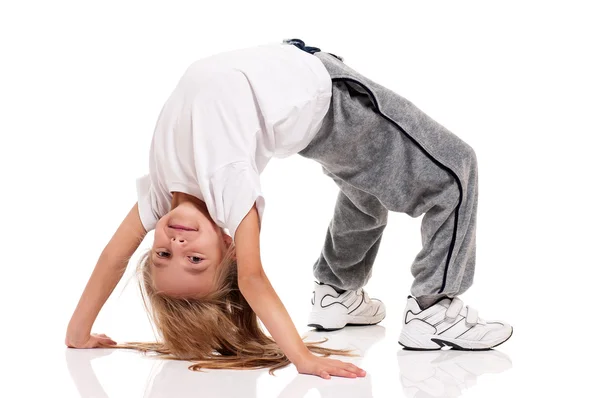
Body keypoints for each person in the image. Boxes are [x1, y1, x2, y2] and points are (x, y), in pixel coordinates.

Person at [65, 38, 512, 379]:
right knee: (454, 170)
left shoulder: (161, 193)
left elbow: (112, 258)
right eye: (195, 260)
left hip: (304, 98)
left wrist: (78, 331)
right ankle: (434, 308)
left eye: (162, 254)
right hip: (327, 98)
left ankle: (337, 294)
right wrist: (302, 359)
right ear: (228, 246)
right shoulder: (229, 190)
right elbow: (253, 280)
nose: (176, 243)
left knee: (367, 188)